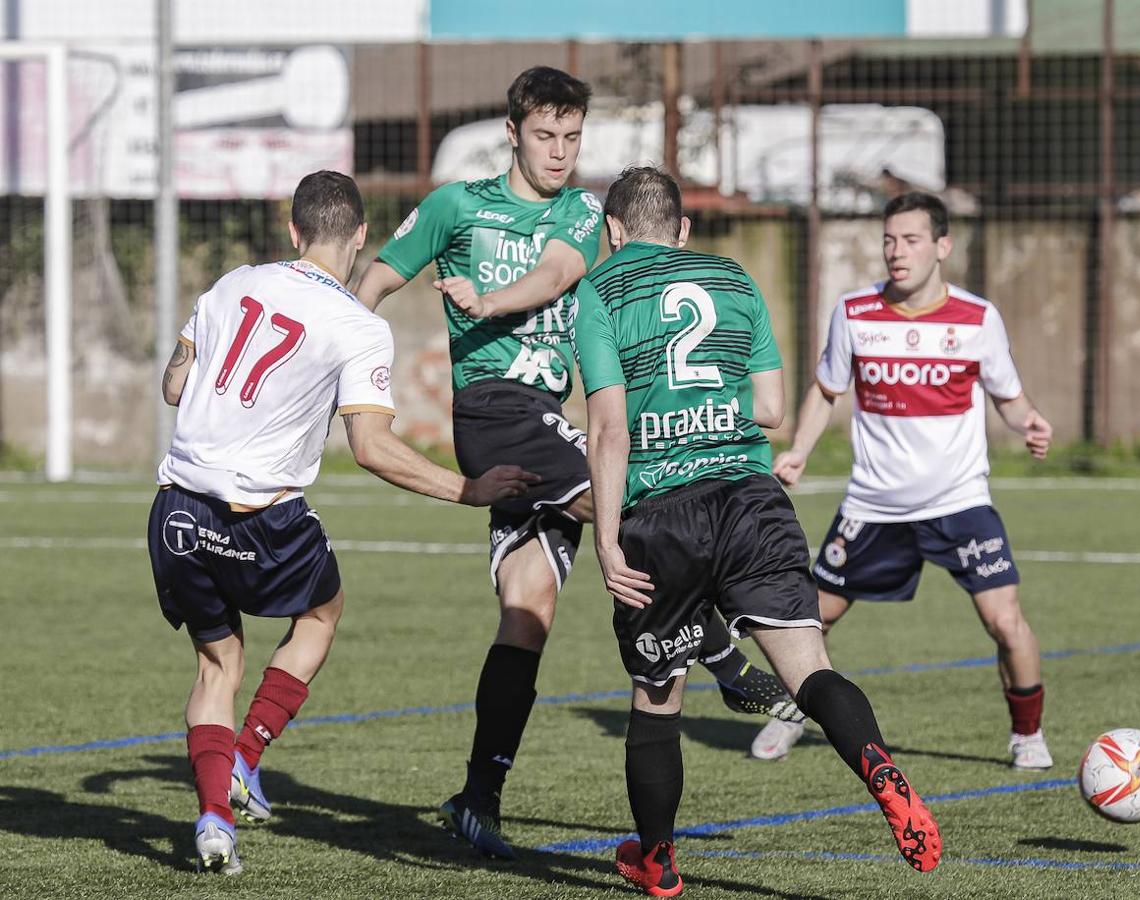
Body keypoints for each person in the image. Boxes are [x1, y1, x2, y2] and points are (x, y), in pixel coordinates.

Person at [352, 67, 801, 859]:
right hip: (497, 411)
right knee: (630, 504)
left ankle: (477, 798)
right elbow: (376, 282)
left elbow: (560, 273)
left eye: (572, 137)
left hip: (547, 419)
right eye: (544, 136)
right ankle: (724, 653)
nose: (560, 152)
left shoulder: (587, 213)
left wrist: (490, 302)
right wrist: (341, 349)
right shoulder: (457, 206)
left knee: (528, 609)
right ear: (512, 131)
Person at [149, 171, 536, 875]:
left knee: (218, 662)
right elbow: (372, 448)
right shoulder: (358, 325)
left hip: (176, 507)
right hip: (261, 516)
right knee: (323, 611)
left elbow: (175, 385)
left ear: (294, 231)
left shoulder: (233, 283)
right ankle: (245, 757)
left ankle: (213, 818)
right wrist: (468, 488)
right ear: (360, 237)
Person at [575, 166, 942, 896]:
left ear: (612, 232)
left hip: (664, 512)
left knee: (658, 696)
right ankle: (880, 769)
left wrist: (607, 539)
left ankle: (659, 862)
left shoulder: (600, 288)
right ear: (683, 229)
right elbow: (771, 407)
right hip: (750, 495)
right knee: (809, 669)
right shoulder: (735, 276)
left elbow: (609, 431)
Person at [772, 191, 1055, 770]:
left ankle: (1027, 734)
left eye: (912, 240)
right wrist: (799, 451)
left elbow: (1009, 394)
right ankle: (793, 712)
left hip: (960, 500)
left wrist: (1028, 420)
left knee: (1005, 621)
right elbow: (828, 389)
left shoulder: (977, 318)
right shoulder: (855, 313)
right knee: (813, 617)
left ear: (942, 247)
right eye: (889, 240)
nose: (897, 252)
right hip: (874, 505)